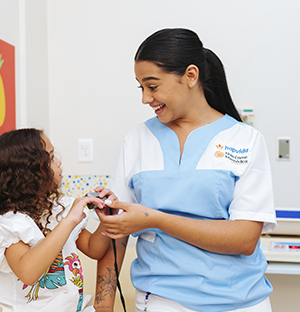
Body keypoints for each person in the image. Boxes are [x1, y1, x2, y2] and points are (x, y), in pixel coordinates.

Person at [94, 28, 277, 312]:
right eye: (140, 87)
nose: (145, 98)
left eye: (152, 86)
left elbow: (244, 239)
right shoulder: (137, 141)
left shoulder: (245, 140)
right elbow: (115, 233)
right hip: (161, 300)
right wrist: (102, 305)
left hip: (239, 302)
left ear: (191, 76)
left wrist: (154, 219)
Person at [0, 128, 116, 312]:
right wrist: (70, 220)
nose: (58, 162)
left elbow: (93, 249)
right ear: (28, 173)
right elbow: (28, 272)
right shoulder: (9, 224)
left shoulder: (58, 209)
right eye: (51, 157)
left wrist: (107, 219)